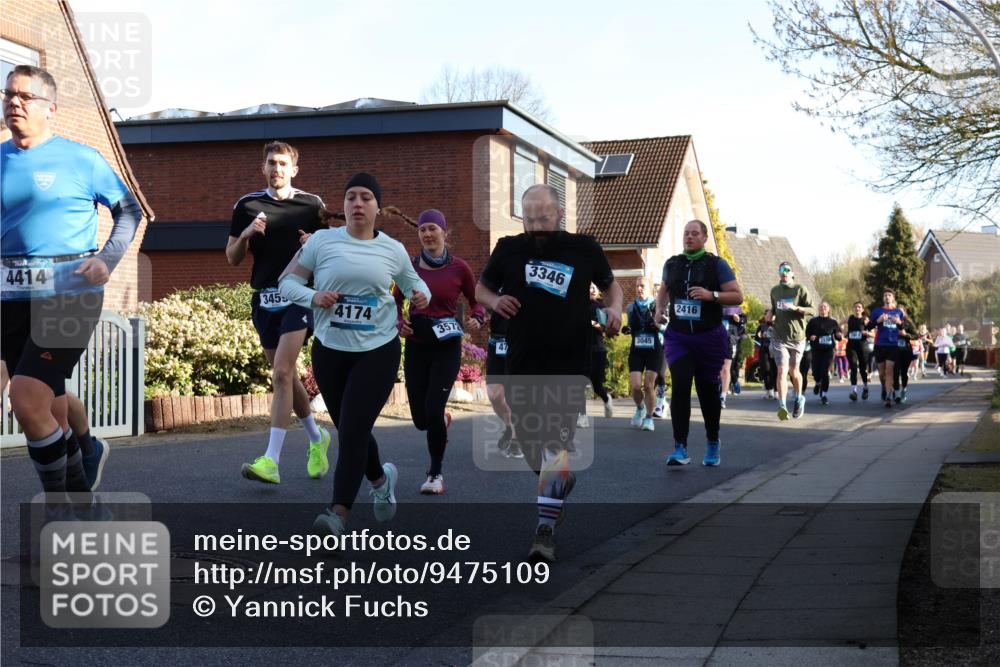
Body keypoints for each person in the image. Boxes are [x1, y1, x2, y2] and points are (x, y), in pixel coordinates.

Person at [1, 65, 141, 506]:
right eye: (8, 94)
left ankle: (59, 515)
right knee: (50, 411)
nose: (14, 102)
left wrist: (107, 259)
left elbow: (130, 211)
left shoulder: (81, 159)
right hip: (11, 295)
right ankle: (84, 504)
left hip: (69, 293)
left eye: (25, 96)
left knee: (26, 398)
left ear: (51, 108)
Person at [476, 184, 623, 563]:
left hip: (568, 363)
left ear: (559, 214)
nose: (536, 227)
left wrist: (615, 310)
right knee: (531, 446)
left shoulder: (584, 248)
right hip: (522, 362)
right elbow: (481, 289)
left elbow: (612, 288)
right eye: (529, 219)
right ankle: (558, 482)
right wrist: (496, 300)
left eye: (543, 218)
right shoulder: (509, 248)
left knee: (555, 444)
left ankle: (545, 530)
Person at [279, 173, 430, 536]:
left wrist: (421, 295)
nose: (357, 203)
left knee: (354, 429)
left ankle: (338, 513)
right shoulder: (321, 242)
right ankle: (380, 481)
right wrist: (313, 296)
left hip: (378, 350)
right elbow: (287, 283)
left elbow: (414, 283)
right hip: (330, 350)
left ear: (378, 208)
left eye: (365, 197)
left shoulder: (393, 249)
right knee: (350, 429)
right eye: (351, 197)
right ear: (343, 205)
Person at [229, 141, 331, 485]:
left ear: (294, 170)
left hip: (299, 297)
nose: (277, 169)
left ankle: (271, 460)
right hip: (264, 300)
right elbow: (231, 257)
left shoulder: (312, 205)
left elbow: (330, 257)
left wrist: (312, 246)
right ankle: (317, 438)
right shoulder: (247, 205)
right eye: (272, 163)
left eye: (283, 164)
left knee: (282, 372)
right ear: (263, 168)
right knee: (285, 376)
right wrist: (246, 234)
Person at [393, 209, 486, 494]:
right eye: (422, 230)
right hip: (417, 345)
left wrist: (478, 317)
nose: (427, 234)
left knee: (433, 409)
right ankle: (441, 422)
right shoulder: (409, 268)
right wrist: (399, 323)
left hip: (446, 347)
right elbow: (394, 301)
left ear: (445, 232)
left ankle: (435, 474)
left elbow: (476, 300)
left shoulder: (459, 268)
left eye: (433, 228)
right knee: (421, 420)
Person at [655, 220, 743, 467]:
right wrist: (659, 309)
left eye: (695, 233)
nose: (689, 237)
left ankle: (713, 440)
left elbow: (737, 296)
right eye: (686, 233)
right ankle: (680, 447)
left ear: (704, 238)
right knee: (681, 384)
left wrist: (711, 295)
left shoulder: (717, 265)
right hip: (679, 337)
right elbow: (663, 290)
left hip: (709, 336)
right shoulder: (672, 264)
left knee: (707, 390)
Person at [769, 262, 816, 420]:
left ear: (792, 273)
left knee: (794, 371)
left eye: (787, 270)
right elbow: (774, 309)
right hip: (779, 337)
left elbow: (812, 310)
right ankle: (782, 405)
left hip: (797, 337)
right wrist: (770, 314)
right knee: (782, 370)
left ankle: (798, 398)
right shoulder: (774, 290)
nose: (784, 272)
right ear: (779, 272)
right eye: (781, 270)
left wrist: (797, 308)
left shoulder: (800, 289)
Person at [485, 291, 522, 458]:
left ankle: (516, 439)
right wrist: (480, 315)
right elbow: (481, 298)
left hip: (519, 342)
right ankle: (509, 426)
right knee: (495, 395)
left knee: (515, 396)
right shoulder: (494, 281)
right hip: (497, 342)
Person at [623, 280, 662, 431]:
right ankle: (640, 408)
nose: (639, 288)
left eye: (642, 286)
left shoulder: (658, 305)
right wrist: (628, 329)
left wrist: (658, 326)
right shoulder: (630, 307)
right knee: (635, 386)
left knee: (648, 385)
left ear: (649, 288)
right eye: (637, 286)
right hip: (637, 349)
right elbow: (631, 325)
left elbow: (667, 326)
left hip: (654, 349)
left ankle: (649, 419)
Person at [867, 289, 908, 408]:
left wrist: (899, 322)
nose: (887, 297)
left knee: (889, 371)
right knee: (881, 373)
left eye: (889, 295)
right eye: (885, 295)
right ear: (883, 298)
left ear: (893, 298)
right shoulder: (877, 311)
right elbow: (868, 326)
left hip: (893, 345)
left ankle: (888, 396)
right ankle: (885, 387)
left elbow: (904, 328)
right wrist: (878, 321)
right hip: (880, 344)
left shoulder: (898, 312)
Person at [586, 283, 614, 421]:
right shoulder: (577, 305)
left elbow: (605, 329)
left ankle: (606, 399)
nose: (592, 290)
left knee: (597, 386)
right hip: (581, 349)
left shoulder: (601, 307)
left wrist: (592, 323)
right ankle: (582, 416)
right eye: (589, 287)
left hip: (597, 349)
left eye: (594, 288)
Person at [805, 301, 843, 405]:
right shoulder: (813, 321)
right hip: (816, 350)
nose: (823, 308)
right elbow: (807, 333)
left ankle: (824, 395)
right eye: (821, 307)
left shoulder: (833, 321)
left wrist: (839, 335)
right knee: (816, 372)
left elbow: (838, 334)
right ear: (818, 309)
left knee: (825, 372)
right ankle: (818, 382)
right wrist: (810, 336)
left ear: (828, 309)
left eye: (825, 307)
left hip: (828, 350)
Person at [720, 307, 747, 408]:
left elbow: (743, 320)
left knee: (726, 369)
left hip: (730, 341)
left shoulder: (736, 307)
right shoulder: (714, 302)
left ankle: (723, 396)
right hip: (714, 339)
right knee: (716, 368)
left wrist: (738, 319)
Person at [845, 302, 871, 401]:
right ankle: (854, 391)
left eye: (859, 307)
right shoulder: (849, 318)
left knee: (863, 369)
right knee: (853, 366)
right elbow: (837, 325)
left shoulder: (865, 320)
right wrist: (840, 332)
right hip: (851, 346)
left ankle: (865, 387)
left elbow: (874, 333)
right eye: (855, 307)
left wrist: (867, 333)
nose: (857, 308)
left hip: (862, 347)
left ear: (862, 309)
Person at [755, 310, 777, 399]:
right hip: (764, 349)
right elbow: (757, 338)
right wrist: (760, 336)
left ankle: (776, 391)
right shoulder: (762, 326)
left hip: (775, 350)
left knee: (775, 370)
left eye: (771, 316)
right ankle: (769, 390)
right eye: (767, 316)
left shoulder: (778, 326)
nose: (769, 317)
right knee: (765, 369)